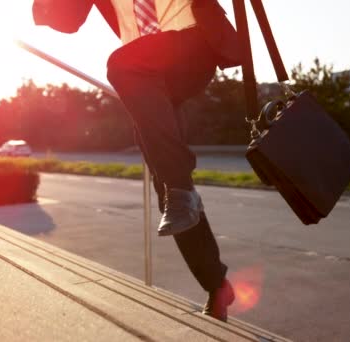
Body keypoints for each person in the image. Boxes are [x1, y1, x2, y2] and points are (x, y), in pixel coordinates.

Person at [32, 0, 241, 321]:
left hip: (192, 45)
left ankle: (181, 187)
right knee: (167, 188)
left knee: (120, 65)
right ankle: (216, 284)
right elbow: (67, 19)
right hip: (146, 70)